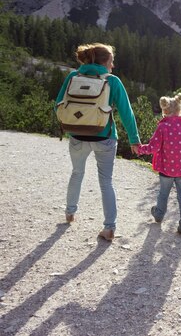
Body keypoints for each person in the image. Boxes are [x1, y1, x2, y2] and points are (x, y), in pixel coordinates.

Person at [56, 43, 141, 241]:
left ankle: (70, 213)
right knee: (106, 182)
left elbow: (58, 105)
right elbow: (127, 114)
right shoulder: (112, 81)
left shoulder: (73, 77)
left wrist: (73, 122)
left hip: (77, 136)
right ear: (104, 61)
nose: (113, 66)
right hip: (105, 137)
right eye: (111, 61)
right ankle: (109, 227)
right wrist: (134, 140)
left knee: (77, 173)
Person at [134, 93, 181, 237]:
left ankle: (158, 215)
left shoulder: (163, 127)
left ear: (165, 111)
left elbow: (153, 147)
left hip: (166, 168)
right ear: (180, 109)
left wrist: (140, 149)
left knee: (163, 192)